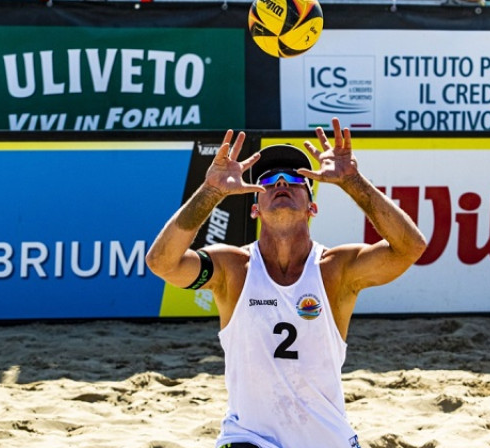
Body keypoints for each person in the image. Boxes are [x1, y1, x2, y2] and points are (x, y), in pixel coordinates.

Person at [145, 117, 427, 448]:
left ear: (313, 207)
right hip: (249, 438)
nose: (281, 182)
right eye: (268, 179)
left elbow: (411, 248)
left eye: (295, 178)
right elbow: (161, 262)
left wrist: (354, 183)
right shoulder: (233, 269)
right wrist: (210, 192)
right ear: (255, 209)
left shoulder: (335, 270)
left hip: (325, 439)